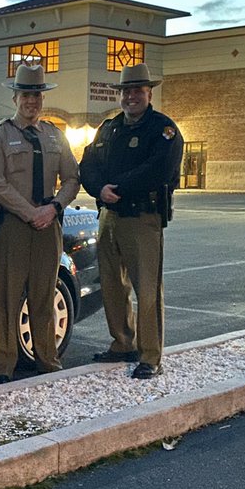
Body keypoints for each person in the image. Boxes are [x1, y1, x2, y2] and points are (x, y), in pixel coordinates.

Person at [78, 62, 184, 379]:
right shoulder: (109, 128)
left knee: (146, 289)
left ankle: (150, 355)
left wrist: (119, 189)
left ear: (149, 93)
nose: (131, 96)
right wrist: (99, 189)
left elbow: (159, 169)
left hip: (142, 217)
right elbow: (88, 164)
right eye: (126, 91)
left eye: (137, 90)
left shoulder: (163, 129)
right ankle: (123, 343)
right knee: (112, 285)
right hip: (109, 215)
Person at [0, 63, 80, 384]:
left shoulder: (55, 135)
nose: (32, 101)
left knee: (44, 295)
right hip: (13, 225)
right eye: (26, 95)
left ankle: (47, 360)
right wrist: (29, 212)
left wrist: (53, 207)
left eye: (37, 95)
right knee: (8, 297)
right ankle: (3, 365)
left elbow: (71, 178)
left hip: (48, 224)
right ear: (15, 97)